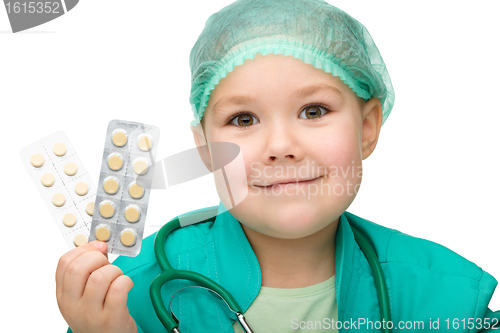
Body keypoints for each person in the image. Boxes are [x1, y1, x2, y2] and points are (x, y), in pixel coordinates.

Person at [56, 0, 499, 332]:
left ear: (367, 128)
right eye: (243, 119)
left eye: (313, 111)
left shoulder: (448, 298)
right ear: (207, 151)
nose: (281, 146)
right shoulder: (124, 299)